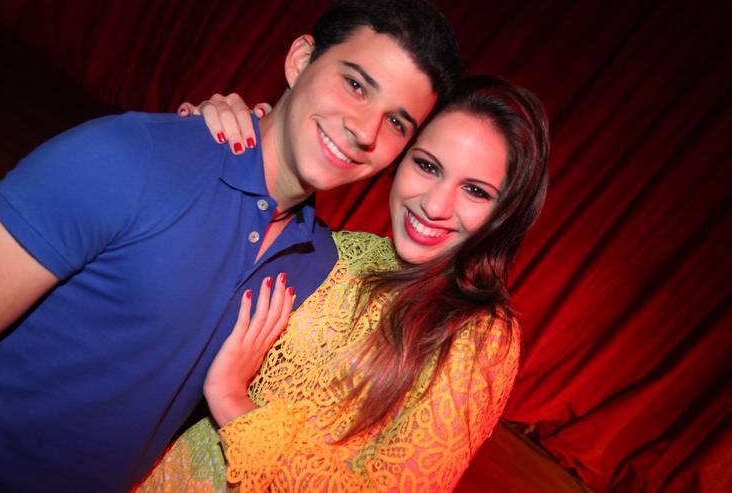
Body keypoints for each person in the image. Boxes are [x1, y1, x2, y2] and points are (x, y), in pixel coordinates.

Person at [0, 0, 461, 491]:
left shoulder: (316, 264)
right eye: (355, 85)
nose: (365, 130)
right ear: (301, 60)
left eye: (397, 122)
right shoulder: (131, 158)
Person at [137, 74, 550, 491]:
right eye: (427, 166)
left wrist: (231, 400)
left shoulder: (479, 333)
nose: (435, 205)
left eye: (475, 191)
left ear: (506, 212)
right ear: (399, 158)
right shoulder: (344, 249)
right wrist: (215, 145)